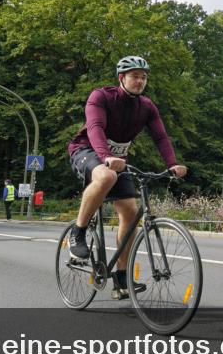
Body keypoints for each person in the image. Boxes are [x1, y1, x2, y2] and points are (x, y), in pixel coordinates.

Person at [66, 56, 187, 300]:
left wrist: (172, 164)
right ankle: (77, 232)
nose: (140, 81)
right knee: (106, 176)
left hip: (117, 159)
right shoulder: (100, 97)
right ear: (122, 78)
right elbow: (95, 128)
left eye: (144, 77)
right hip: (87, 150)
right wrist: (106, 157)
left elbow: (161, 138)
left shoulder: (147, 107)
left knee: (131, 212)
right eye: (135, 76)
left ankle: (121, 280)